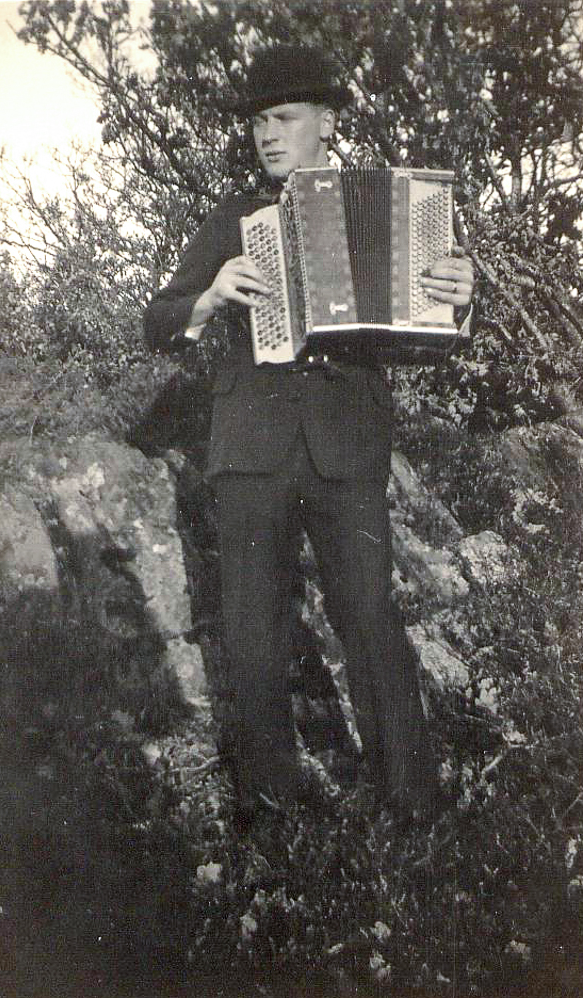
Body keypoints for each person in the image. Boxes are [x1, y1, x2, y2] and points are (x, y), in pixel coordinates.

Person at [144, 45, 474, 821]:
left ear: (326, 122)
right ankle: (272, 810)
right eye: (259, 120)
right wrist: (210, 298)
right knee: (252, 629)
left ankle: (412, 802)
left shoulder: (396, 205)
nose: (267, 134)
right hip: (251, 446)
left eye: (285, 118)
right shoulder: (233, 217)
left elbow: (430, 334)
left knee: (370, 616)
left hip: (346, 443)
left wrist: (460, 300)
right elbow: (157, 320)